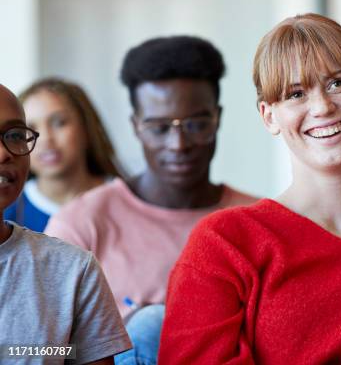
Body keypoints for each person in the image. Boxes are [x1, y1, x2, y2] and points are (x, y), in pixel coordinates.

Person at [158, 13, 341, 364]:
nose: (322, 107)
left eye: (337, 83)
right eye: (296, 94)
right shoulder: (225, 242)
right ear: (269, 116)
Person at [45, 36, 257, 363]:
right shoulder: (81, 224)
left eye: (196, 124)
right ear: (136, 127)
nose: (178, 144)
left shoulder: (257, 221)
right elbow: (46, 346)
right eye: (159, 128)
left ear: (218, 118)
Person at [0, 83, 131, 364]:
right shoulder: (18, 207)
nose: (4, 153)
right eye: (36, 127)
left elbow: (70, 352)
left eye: (13, 135)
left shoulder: (72, 266)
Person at [4, 77, 121, 232]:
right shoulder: (6, 211)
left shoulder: (127, 200)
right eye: (29, 128)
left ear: (86, 127)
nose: (45, 139)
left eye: (59, 123)